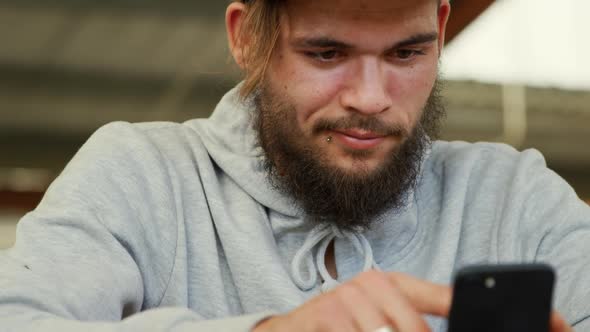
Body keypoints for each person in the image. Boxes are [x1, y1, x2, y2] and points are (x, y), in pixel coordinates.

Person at [0, 0, 587, 331]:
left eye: (406, 53)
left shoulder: (517, 198)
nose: (371, 97)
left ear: (439, 28)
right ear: (247, 39)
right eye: (326, 53)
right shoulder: (141, 174)